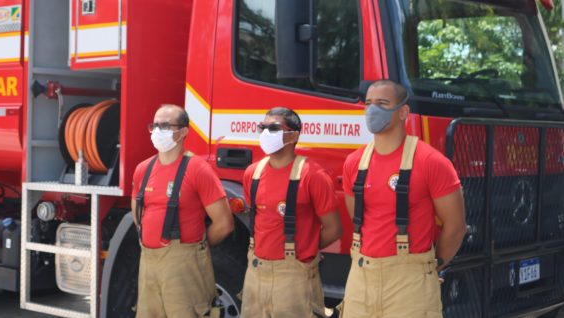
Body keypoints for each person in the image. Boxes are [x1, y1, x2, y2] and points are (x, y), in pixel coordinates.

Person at [340, 80, 467, 317]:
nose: (373, 110)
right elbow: (358, 216)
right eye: (368, 103)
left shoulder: (431, 162)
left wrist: (429, 267)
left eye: (382, 103)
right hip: (360, 277)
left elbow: (456, 227)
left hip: (410, 285)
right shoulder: (353, 163)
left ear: (403, 112)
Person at [131, 104, 234, 318]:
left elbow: (224, 224)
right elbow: (138, 217)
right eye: (155, 125)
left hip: (184, 269)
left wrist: (195, 248)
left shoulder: (198, 169)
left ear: (184, 131)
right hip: (148, 265)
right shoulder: (143, 169)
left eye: (166, 125)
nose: (158, 131)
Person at [241, 107, 342, 318]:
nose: (266, 133)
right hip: (255, 273)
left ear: (294, 135)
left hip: (295, 278)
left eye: (274, 128)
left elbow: (334, 229)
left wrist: (304, 250)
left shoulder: (312, 175)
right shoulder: (253, 173)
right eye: (263, 127)